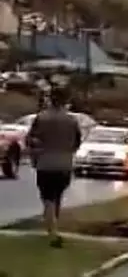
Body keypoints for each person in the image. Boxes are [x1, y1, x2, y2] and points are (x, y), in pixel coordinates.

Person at [25, 87, 81, 248]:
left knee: (47, 198)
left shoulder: (41, 118)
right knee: (57, 195)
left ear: (50, 99)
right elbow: (77, 142)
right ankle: (52, 225)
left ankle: (53, 233)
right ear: (66, 101)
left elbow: (30, 139)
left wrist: (36, 152)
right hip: (65, 164)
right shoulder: (72, 121)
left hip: (45, 163)